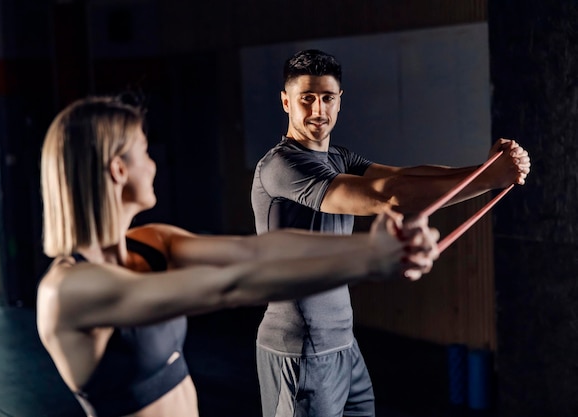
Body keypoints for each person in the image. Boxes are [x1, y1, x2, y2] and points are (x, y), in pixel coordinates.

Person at [35, 95, 440, 417]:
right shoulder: (68, 291)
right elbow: (228, 286)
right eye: (145, 151)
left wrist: (376, 245)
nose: (154, 163)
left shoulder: (150, 242)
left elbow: (255, 250)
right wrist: (370, 262)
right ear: (117, 170)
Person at [250, 49, 531, 417]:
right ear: (286, 102)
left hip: (342, 343)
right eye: (307, 99)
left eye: (327, 98)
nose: (318, 110)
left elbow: (404, 176)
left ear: (340, 101)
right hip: (300, 349)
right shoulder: (281, 166)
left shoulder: (337, 157)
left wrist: (486, 169)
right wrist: (492, 179)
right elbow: (386, 196)